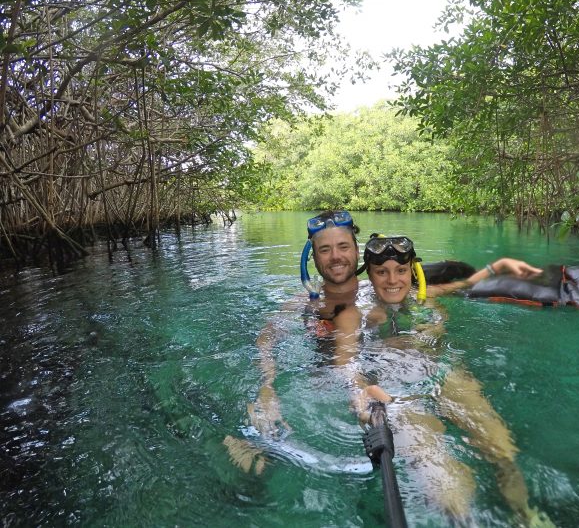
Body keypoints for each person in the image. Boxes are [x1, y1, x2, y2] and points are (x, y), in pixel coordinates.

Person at [225, 211, 549, 525]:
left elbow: (455, 287)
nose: (336, 256)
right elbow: (297, 348)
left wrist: (500, 265)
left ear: (355, 251)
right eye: (325, 249)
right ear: (313, 255)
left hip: (434, 368)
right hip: (384, 379)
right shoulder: (314, 305)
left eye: (342, 247)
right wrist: (267, 387)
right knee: (437, 467)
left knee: (501, 448)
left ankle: (526, 513)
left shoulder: (400, 293)